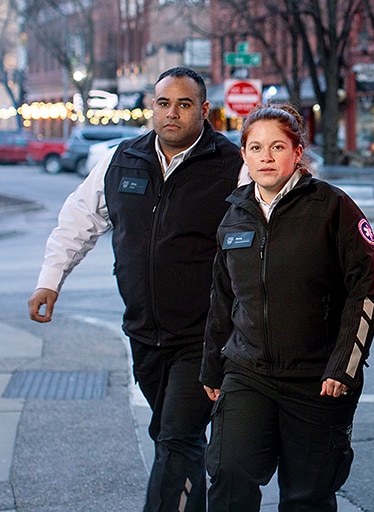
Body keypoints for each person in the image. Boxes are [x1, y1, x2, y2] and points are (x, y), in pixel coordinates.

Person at [27, 66, 246, 512]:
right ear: (152, 106)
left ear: (203, 111)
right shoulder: (122, 159)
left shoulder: (232, 166)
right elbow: (78, 221)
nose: (172, 114)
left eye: (184, 105)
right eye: (164, 103)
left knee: (178, 436)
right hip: (143, 332)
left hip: (204, 337)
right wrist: (51, 280)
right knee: (169, 437)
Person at [201, 104, 374, 510]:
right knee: (230, 475)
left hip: (316, 378)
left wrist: (343, 367)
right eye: (255, 147)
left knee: (307, 496)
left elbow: (365, 291)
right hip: (248, 373)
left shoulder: (332, 208)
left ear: (297, 152)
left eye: (277, 146)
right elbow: (222, 299)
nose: (266, 157)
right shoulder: (235, 216)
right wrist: (212, 365)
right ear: (244, 155)